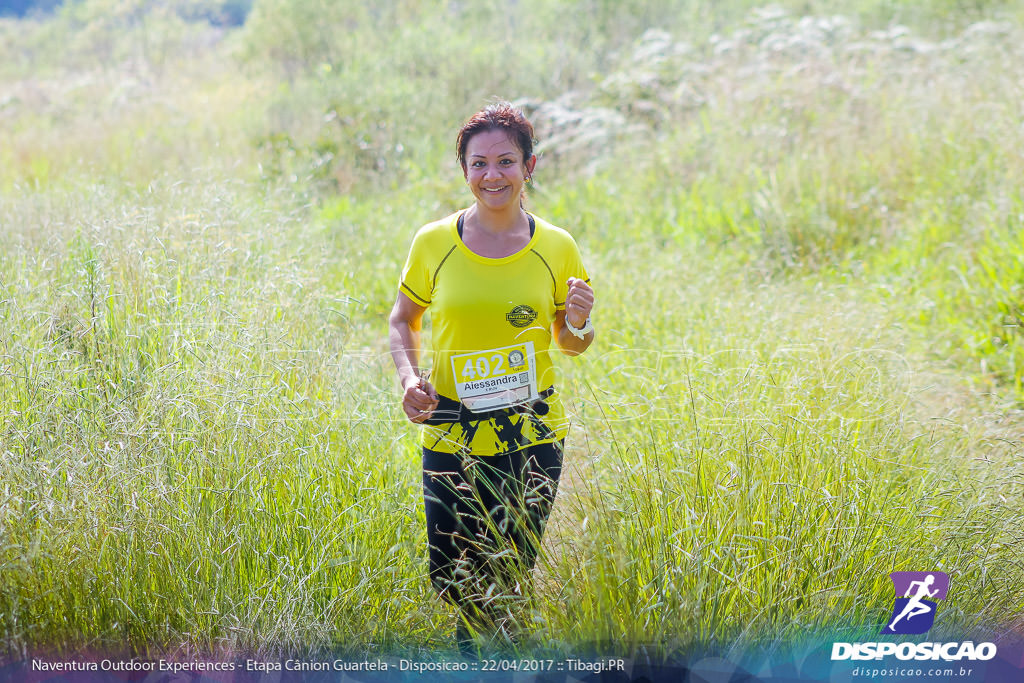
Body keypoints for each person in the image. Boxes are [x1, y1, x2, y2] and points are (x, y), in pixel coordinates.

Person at [388, 102, 595, 654]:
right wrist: (409, 380)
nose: (492, 175)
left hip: (532, 432)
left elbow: (572, 343)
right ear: (463, 170)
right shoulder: (434, 242)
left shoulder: (558, 246)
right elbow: (401, 320)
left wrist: (577, 321)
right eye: (478, 163)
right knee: (454, 576)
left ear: (530, 166)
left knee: (505, 574)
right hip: (451, 428)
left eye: (506, 161)